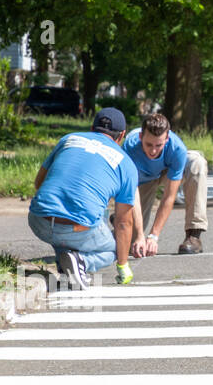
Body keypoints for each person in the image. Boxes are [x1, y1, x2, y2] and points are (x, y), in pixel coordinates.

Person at [27, 108, 138, 288]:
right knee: (113, 249)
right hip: (75, 230)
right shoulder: (126, 164)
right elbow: (123, 223)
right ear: (122, 135)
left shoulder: (69, 139)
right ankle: (81, 262)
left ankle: (66, 264)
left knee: (98, 213)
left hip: (38, 220)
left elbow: (39, 182)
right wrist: (123, 265)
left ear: (92, 128)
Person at [123, 112, 210, 255]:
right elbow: (131, 192)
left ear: (167, 139)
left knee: (196, 162)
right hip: (142, 181)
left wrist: (153, 236)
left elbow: (169, 197)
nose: (153, 150)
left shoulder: (177, 148)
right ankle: (121, 220)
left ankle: (193, 235)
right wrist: (140, 235)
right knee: (131, 242)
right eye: (148, 144)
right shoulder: (129, 149)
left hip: (166, 170)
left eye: (159, 145)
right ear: (140, 137)